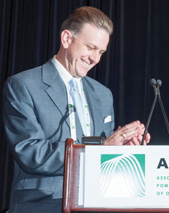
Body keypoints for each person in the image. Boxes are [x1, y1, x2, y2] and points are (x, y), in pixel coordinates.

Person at [2, 6, 150, 213]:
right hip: (42, 204)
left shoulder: (103, 94)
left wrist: (124, 145)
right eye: (90, 47)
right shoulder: (23, 85)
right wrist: (98, 150)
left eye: (101, 52)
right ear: (66, 39)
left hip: (94, 203)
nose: (95, 59)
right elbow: (31, 153)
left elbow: (106, 156)